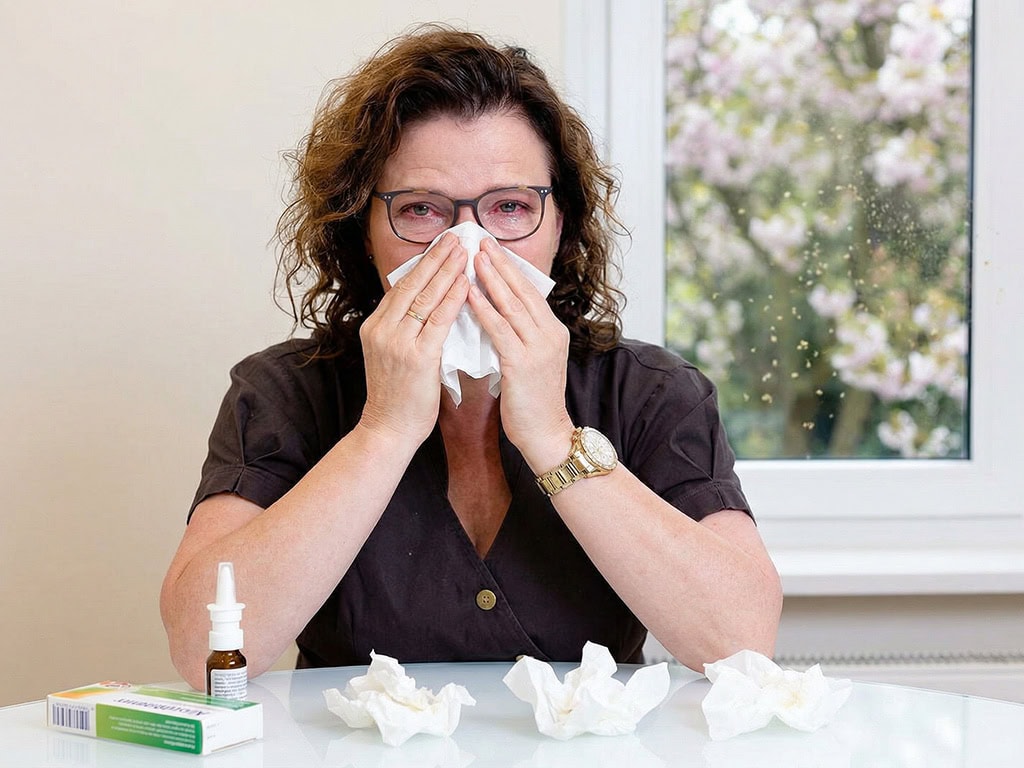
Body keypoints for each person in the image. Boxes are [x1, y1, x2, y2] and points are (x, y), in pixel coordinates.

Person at [160, 25, 782, 691]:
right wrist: (384, 429)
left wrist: (551, 437)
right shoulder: (285, 392)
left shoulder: (651, 392)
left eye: (510, 207)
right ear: (363, 229)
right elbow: (202, 652)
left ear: (560, 223)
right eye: (423, 210)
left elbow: (740, 640)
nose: (468, 246)